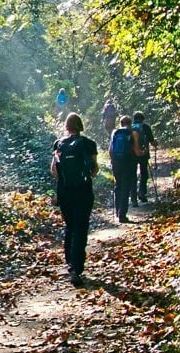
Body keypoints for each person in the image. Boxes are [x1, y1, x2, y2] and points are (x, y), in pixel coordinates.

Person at [50, 112, 99, 287]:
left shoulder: (59, 144)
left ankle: (70, 264)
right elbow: (94, 170)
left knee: (70, 226)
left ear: (67, 126)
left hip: (64, 192)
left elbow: (54, 170)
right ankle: (77, 268)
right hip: (84, 192)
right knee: (81, 226)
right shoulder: (88, 144)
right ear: (80, 125)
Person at [109, 115, 144, 223]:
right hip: (129, 163)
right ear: (130, 123)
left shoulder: (115, 132)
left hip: (116, 163)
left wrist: (113, 161)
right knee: (126, 187)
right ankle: (122, 215)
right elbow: (137, 151)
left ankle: (118, 210)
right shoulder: (133, 133)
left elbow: (110, 150)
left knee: (118, 185)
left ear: (121, 123)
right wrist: (144, 152)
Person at [131, 111, 157, 204]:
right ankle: (142, 193)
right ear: (142, 119)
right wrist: (155, 143)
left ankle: (133, 198)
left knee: (132, 175)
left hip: (131, 155)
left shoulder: (129, 128)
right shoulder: (145, 127)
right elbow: (152, 142)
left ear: (134, 119)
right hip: (143, 153)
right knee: (144, 173)